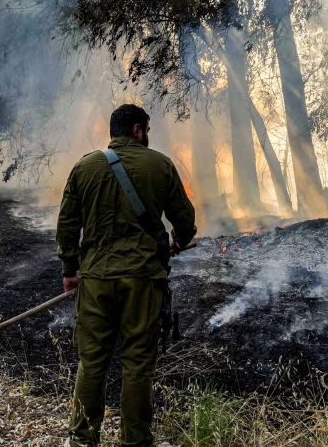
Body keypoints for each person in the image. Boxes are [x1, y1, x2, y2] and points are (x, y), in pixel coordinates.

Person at [57, 104, 197, 447]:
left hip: (96, 282)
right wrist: (177, 241)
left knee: (92, 363)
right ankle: (135, 440)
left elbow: (67, 226)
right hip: (142, 283)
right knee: (137, 365)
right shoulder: (160, 165)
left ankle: (81, 440)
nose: (148, 136)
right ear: (137, 129)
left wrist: (70, 272)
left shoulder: (84, 167)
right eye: (146, 130)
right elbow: (185, 220)